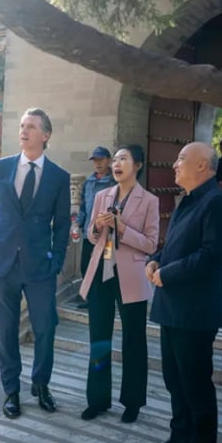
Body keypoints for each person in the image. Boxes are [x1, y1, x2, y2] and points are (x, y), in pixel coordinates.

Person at [0, 108, 71, 419]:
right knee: (6, 330)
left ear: (46, 135)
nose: (24, 131)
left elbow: (63, 224)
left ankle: (41, 385)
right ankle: (11, 391)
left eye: (31, 127)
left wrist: (56, 260)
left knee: (45, 328)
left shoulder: (58, 177)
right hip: (1, 262)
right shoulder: (0, 168)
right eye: (22, 126)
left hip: (40, 266)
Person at [141, 142, 222, 443]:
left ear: (202, 166)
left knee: (195, 385)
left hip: (195, 311)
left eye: (182, 159)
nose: (175, 164)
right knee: (174, 381)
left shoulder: (218, 203)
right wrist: (155, 261)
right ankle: (179, 442)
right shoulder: (188, 201)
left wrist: (167, 274)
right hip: (171, 307)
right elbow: (173, 247)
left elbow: (211, 257)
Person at [78, 144, 159, 424]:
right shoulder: (102, 195)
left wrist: (121, 226)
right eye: (115, 159)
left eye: (123, 158)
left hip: (132, 277)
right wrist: (98, 227)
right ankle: (97, 399)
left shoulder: (149, 200)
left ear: (137, 165)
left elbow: (150, 243)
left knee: (134, 340)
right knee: (98, 338)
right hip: (103, 271)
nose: (116, 163)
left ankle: (133, 402)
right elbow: (90, 235)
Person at [75, 146, 116, 309]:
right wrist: (77, 223)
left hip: (108, 236)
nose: (98, 164)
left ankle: (107, 299)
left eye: (101, 160)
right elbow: (84, 206)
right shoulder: (89, 182)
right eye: (95, 160)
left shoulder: (114, 182)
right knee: (86, 265)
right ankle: (91, 299)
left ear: (109, 160)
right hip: (88, 233)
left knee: (106, 267)